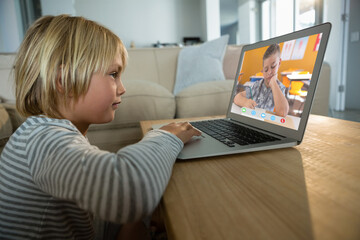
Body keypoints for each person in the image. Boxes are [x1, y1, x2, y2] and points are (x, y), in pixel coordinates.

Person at [0, 15, 201, 240]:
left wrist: (140, 221)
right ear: (64, 80)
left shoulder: (51, 133)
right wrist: (165, 136)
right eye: (113, 74)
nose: (122, 88)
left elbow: (90, 220)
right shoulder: (43, 139)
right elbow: (129, 192)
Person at [233, 44, 289, 117]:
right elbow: (237, 97)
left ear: (279, 63)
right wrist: (245, 102)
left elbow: (283, 112)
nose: (269, 72)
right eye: (266, 70)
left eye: (273, 66)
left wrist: (274, 83)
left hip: (267, 122)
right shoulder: (257, 85)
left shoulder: (280, 88)